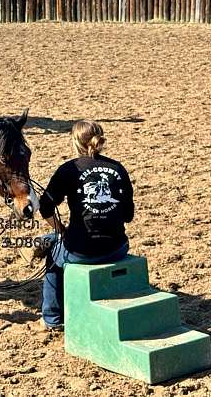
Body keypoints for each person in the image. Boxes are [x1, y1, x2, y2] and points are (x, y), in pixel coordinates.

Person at [35, 120, 134, 330]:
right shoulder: (118, 168)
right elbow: (128, 216)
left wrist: (59, 228)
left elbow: (45, 207)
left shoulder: (69, 169)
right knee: (64, 238)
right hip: (117, 248)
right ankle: (51, 239)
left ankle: (52, 319)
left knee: (53, 259)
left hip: (82, 251)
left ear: (75, 142)